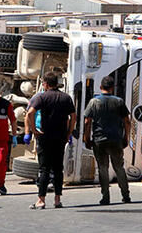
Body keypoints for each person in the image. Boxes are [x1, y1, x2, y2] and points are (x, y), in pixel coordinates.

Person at [26, 72, 76, 210]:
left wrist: (33, 130)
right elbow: (73, 116)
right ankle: (57, 199)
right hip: (60, 137)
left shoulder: (42, 96)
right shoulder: (66, 98)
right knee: (58, 168)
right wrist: (69, 133)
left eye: (43, 83)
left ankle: (41, 200)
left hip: (45, 137)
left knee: (44, 169)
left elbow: (30, 113)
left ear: (46, 84)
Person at [83, 76, 131, 205]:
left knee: (103, 168)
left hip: (99, 140)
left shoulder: (93, 102)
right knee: (119, 168)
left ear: (100, 87)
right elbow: (127, 121)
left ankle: (105, 197)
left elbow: (87, 122)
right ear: (112, 88)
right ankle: (126, 195)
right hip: (116, 140)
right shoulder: (119, 102)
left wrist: (87, 138)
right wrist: (126, 137)